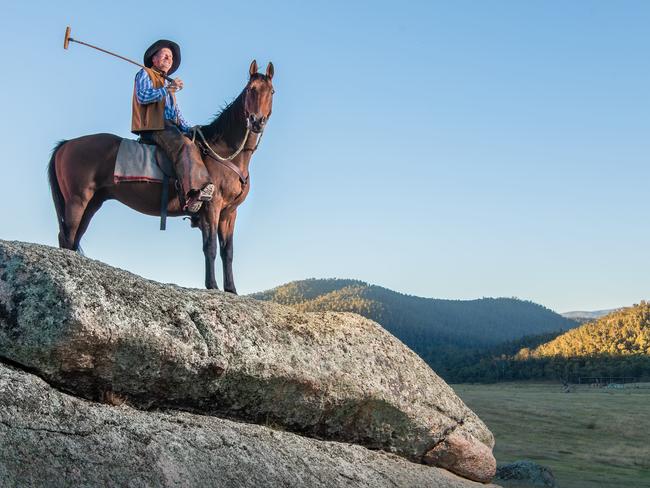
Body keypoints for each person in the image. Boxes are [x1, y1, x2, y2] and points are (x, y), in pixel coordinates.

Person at [131, 39, 213, 212]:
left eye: (171, 57)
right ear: (154, 59)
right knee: (184, 145)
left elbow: (176, 114)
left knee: (195, 141)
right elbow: (143, 96)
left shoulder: (167, 86)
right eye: (165, 54)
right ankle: (193, 192)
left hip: (169, 125)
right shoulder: (145, 73)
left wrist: (190, 128)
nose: (169, 58)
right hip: (154, 126)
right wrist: (167, 89)